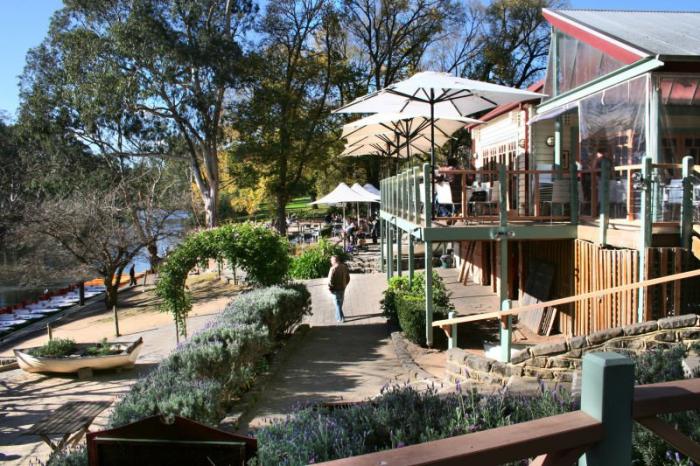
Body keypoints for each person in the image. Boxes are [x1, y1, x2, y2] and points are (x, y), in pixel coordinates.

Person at [327, 255, 350, 323]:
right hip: (342, 288)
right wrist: (345, 285)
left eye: (331, 260)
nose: (331, 262)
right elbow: (348, 278)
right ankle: (338, 316)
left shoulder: (333, 269)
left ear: (335, 260)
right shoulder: (344, 267)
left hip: (335, 289)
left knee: (337, 304)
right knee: (339, 304)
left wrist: (330, 288)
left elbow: (330, 281)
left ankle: (340, 318)